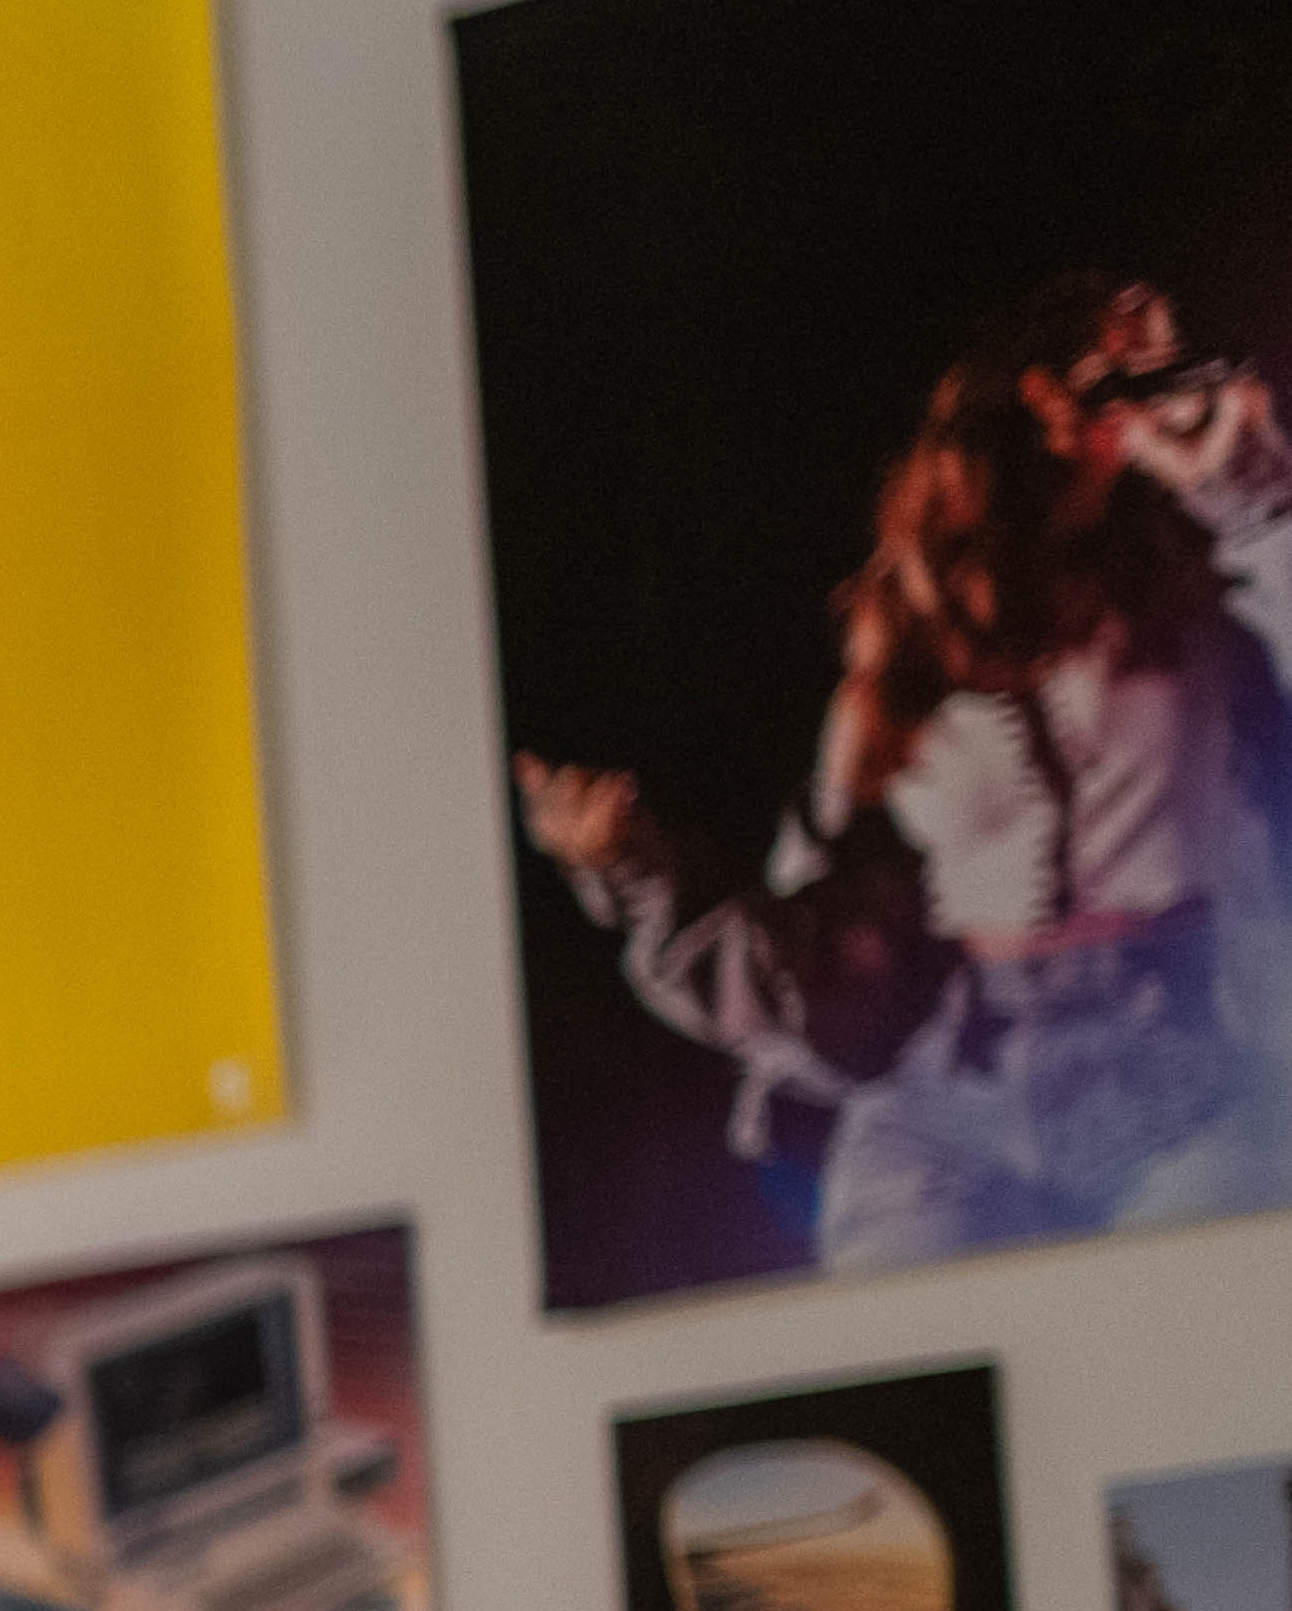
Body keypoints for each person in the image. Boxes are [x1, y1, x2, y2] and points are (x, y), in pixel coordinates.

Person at [519, 274, 1292, 1276]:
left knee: (1187, 1323)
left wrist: (1252, 494)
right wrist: (630, 869)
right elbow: (805, 963)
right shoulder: (897, 669)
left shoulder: (1194, 594)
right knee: (900, 1344)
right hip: (956, 1082)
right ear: (1017, 393)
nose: (1114, 394)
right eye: (1087, 368)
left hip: (1182, 1060)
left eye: (1133, 368)